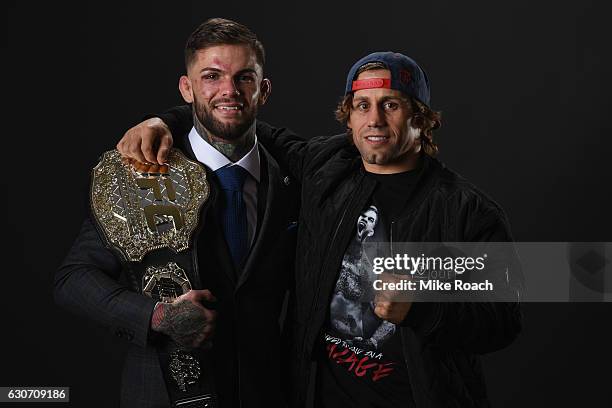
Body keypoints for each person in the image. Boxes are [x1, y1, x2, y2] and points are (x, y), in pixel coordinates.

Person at [118, 52, 522, 407]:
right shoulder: (325, 169)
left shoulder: (469, 211)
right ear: (349, 116)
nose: (375, 120)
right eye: (362, 105)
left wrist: (423, 307)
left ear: (421, 116)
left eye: (391, 105)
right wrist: (164, 120)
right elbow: (241, 123)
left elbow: (502, 322)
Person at [55, 18, 298, 408]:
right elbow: (73, 279)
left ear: (263, 90)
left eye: (244, 78)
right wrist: (154, 316)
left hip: (268, 392)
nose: (229, 91)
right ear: (187, 88)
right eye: (211, 77)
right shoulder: (140, 173)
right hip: (164, 394)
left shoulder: (293, 174)